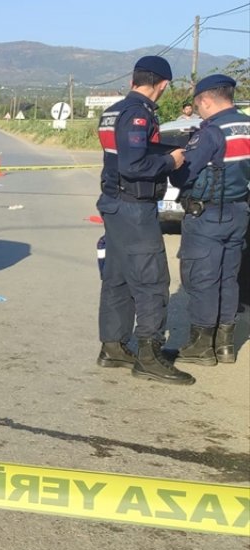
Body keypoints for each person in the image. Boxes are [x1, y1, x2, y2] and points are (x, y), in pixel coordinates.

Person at [94, 55, 191, 384]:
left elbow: (126, 155)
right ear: (162, 84)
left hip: (114, 203)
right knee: (152, 280)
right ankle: (149, 355)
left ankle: (113, 347)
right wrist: (171, 161)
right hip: (133, 207)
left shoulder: (113, 111)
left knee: (118, 277)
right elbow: (133, 166)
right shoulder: (138, 114)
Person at [169, 74, 250, 366]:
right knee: (229, 278)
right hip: (239, 212)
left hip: (208, 215)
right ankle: (225, 345)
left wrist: (173, 161)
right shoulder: (245, 125)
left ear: (205, 100)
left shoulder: (211, 131)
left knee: (202, 278)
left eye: (198, 105)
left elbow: (184, 173)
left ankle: (201, 347)